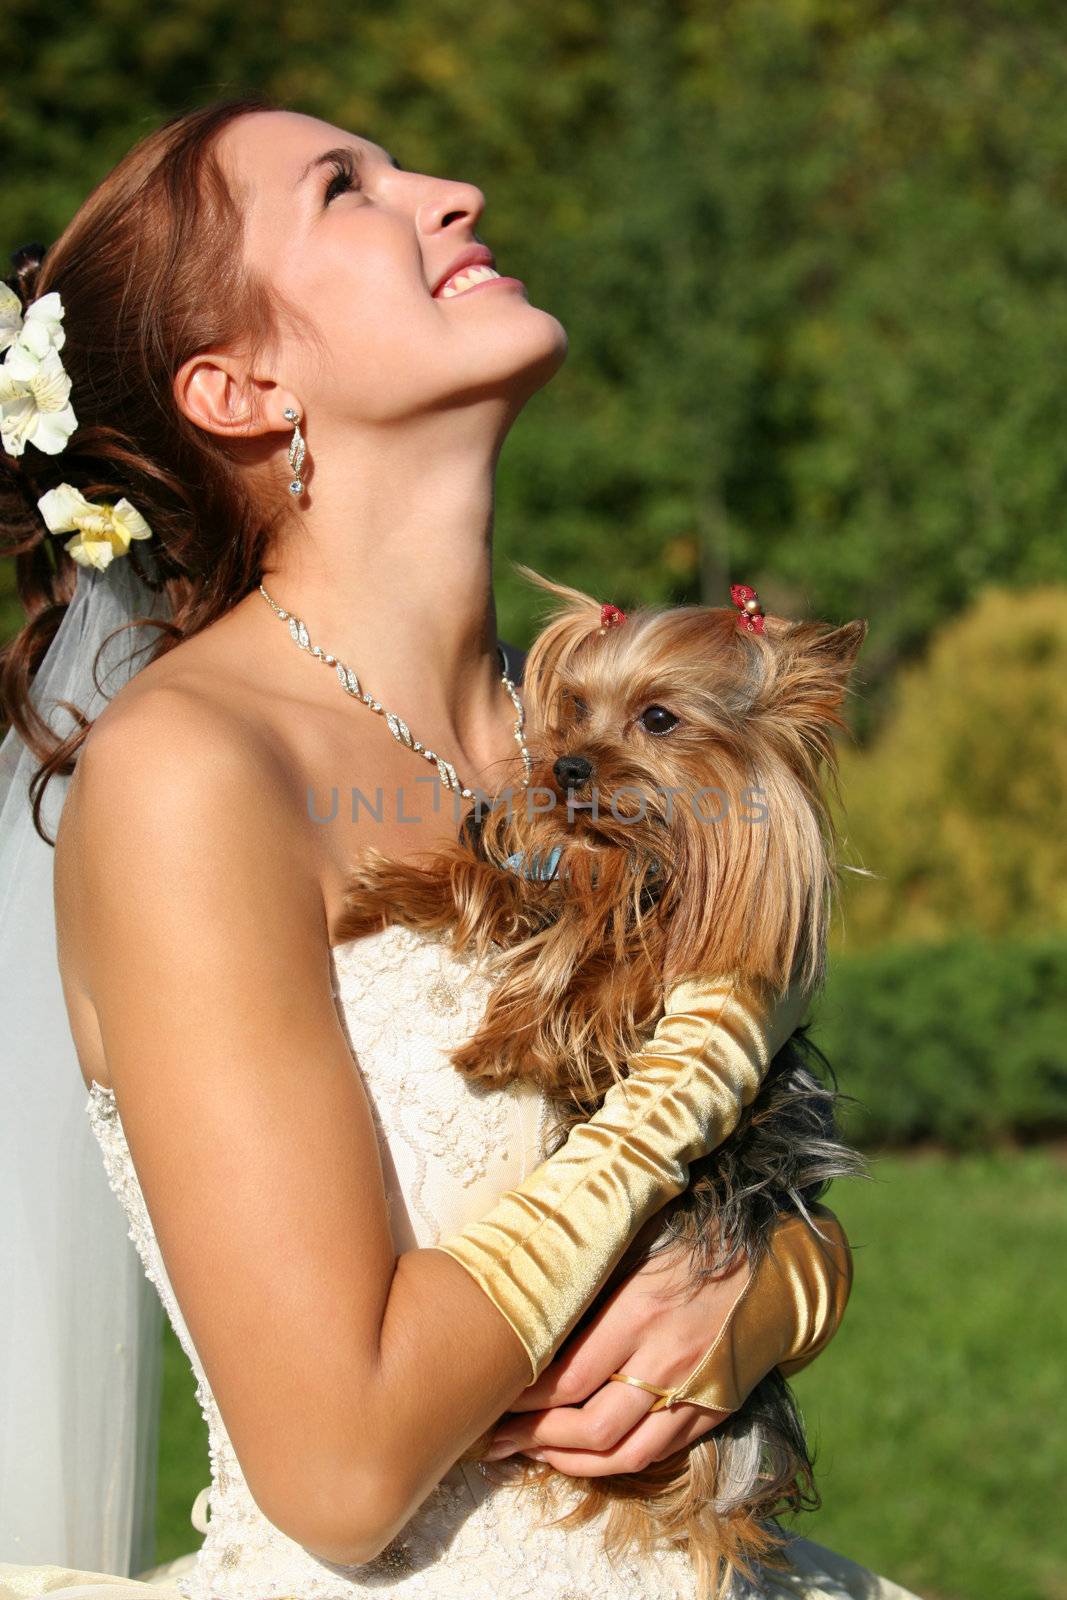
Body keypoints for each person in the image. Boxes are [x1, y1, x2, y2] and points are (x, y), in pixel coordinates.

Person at [0, 98, 923, 1599]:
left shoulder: (608, 728)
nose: (452, 189)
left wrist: (780, 1287)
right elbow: (346, 1466)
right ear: (239, 387)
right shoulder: (193, 771)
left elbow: (756, 1159)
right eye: (345, 189)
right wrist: (672, 1104)